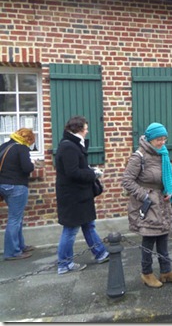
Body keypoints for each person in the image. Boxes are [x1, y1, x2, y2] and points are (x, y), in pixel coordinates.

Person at [122, 122, 172, 288]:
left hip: (162, 202)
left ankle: (166, 271)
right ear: (149, 139)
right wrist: (145, 196)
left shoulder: (162, 154)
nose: (162, 142)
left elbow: (167, 176)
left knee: (163, 236)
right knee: (149, 239)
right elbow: (127, 180)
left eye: (164, 138)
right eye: (158, 139)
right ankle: (147, 273)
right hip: (148, 204)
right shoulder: (139, 156)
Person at [55, 116, 109, 275]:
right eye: (85, 127)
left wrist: (90, 170)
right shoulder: (69, 147)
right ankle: (64, 264)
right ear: (78, 129)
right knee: (71, 229)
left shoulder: (72, 145)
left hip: (79, 195)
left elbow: (77, 167)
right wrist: (93, 175)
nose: (87, 130)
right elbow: (73, 172)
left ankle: (100, 253)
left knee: (88, 224)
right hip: (73, 196)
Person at [1, 128, 36, 260]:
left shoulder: (4, 146)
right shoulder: (21, 148)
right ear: (27, 139)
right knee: (15, 219)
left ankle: (20, 245)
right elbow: (27, 168)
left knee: (17, 217)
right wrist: (33, 164)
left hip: (3, 185)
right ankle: (12, 252)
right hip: (17, 186)